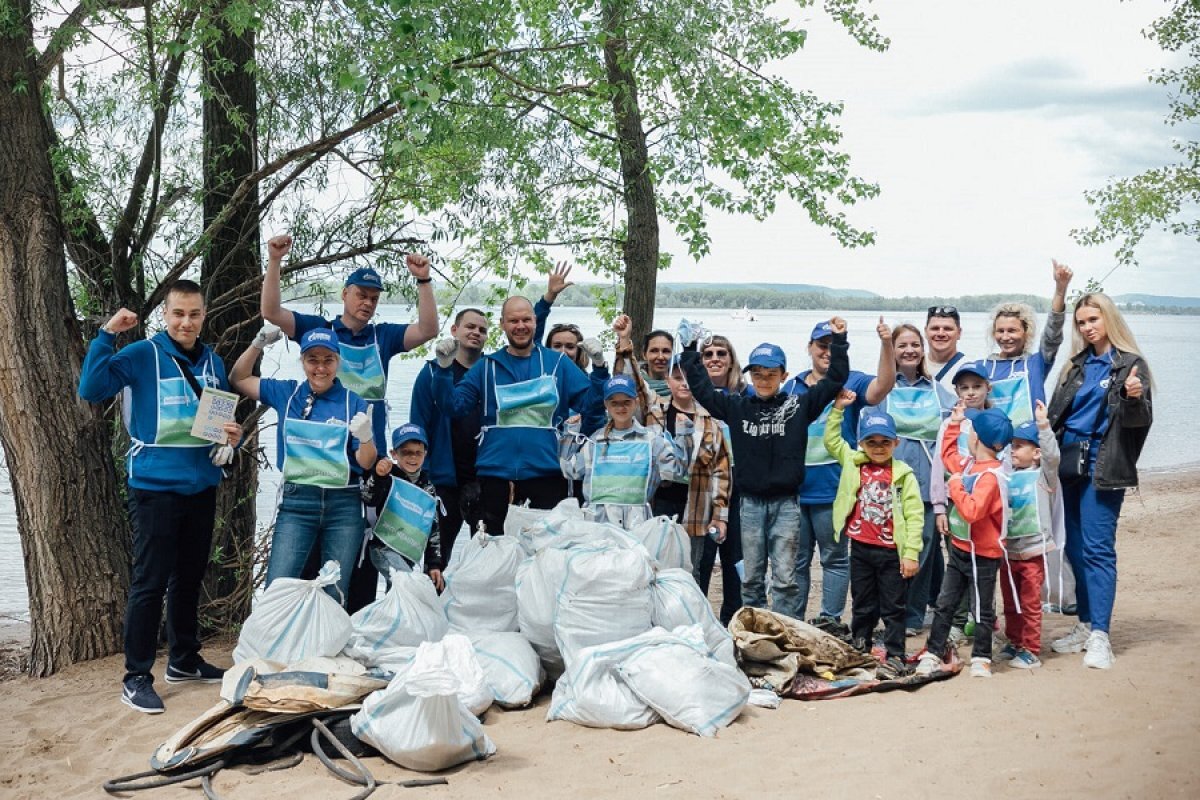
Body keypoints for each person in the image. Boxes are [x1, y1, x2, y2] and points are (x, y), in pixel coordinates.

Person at [78, 281, 243, 714]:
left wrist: (232, 441)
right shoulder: (141, 356)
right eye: (178, 314)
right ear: (164, 316)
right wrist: (106, 334)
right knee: (149, 584)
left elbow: (217, 428)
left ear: (203, 315)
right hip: (154, 487)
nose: (186, 323)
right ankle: (136, 677)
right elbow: (91, 389)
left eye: (194, 314)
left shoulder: (212, 362)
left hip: (200, 485)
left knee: (189, 577)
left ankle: (184, 660)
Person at [261, 234, 437, 609]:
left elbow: (427, 330)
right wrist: (275, 261)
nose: (368, 302)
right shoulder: (319, 332)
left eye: (374, 297)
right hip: (322, 465)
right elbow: (273, 313)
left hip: (366, 462)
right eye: (361, 294)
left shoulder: (383, 337)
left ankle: (352, 626)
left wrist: (423, 281)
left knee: (359, 556)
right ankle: (295, 630)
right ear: (345, 294)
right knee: (304, 561)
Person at [680, 323, 849, 621]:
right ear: (750, 376)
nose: (764, 380)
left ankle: (783, 630)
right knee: (752, 577)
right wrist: (690, 352)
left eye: (771, 374)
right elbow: (703, 390)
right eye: (757, 374)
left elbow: (835, 378)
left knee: (785, 577)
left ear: (784, 376)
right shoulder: (738, 407)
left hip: (786, 504)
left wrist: (840, 341)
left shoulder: (800, 405)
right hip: (750, 504)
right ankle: (756, 632)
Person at [430, 296, 607, 534]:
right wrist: (443, 369)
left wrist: (599, 369)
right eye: (513, 320)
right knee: (491, 560)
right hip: (494, 478)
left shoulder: (558, 364)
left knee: (543, 559)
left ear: (535, 321)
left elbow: (592, 407)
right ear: (502, 324)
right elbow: (453, 407)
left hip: (546, 476)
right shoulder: (487, 367)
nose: (520, 326)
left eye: (526, 319)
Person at [229, 327, 377, 602]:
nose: (320, 368)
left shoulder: (354, 402)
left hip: (343, 506)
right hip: (298, 505)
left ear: (338, 362)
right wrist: (257, 343)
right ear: (302, 362)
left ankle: (326, 646)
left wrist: (366, 437)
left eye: (328, 360)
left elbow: (365, 462)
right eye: (313, 360)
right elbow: (239, 378)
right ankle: (273, 644)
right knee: (278, 588)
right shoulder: (287, 394)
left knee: (334, 592)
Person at [1047, 293, 1152, 670]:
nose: (1088, 327)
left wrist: (1134, 398)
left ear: (1108, 318)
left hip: (1103, 468)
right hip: (1067, 465)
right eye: (1081, 322)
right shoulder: (1075, 366)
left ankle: (1101, 637)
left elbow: (1139, 422)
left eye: (1093, 319)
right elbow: (1057, 418)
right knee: (1073, 550)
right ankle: (1085, 624)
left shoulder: (1130, 365)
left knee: (1097, 550)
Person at [785, 317, 896, 632]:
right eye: (822, 345)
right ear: (810, 347)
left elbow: (882, 387)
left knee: (835, 559)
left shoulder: (851, 381)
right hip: (795, 490)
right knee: (797, 561)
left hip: (835, 490)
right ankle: (794, 620)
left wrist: (887, 344)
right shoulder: (791, 385)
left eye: (834, 346)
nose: (827, 352)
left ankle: (830, 620)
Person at [823, 394, 923, 679]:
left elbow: (915, 516)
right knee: (863, 603)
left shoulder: (904, 475)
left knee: (894, 606)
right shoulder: (854, 462)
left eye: (884, 442)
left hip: (892, 552)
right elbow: (832, 442)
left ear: (896, 443)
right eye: (871, 442)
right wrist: (838, 410)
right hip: (862, 548)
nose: (878, 448)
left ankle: (895, 654)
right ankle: (860, 647)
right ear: (861, 443)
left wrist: (911, 553)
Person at [917, 406, 1014, 679]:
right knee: (945, 603)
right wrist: (952, 426)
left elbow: (972, 511)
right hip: (960, 549)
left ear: (978, 439)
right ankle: (934, 651)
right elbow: (948, 457)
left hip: (984, 555)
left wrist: (956, 486)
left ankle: (982, 656)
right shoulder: (970, 464)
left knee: (981, 607)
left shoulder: (992, 476)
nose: (966, 436)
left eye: (969, 431)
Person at [880, 324, 954, 636]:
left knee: (921, 550)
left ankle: (912, 615)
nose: (909, 350)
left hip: (926, 484)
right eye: (902, 345)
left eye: (914, 344)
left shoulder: (936, 391)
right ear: (892, 351)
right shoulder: (884, 389)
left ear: (922, 349)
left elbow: (961, 417)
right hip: (889, 484)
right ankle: (889, 613)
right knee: (890, 551)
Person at [646, 364, 733, 608]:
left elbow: (721, 470)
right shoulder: (655, 413)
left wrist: (720, 514)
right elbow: (635, 386)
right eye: (677, 378)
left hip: (695, 507)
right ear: (667, 380)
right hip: (658, 502)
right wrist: (624, 346)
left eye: (688, 379)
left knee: (690, 570)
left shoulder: (711, 421)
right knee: (654, 566)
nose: (684, 383)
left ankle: (691, 621)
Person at [410, 307, 489, 562]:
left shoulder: (491, 372)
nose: (476, 332)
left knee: (490, 555)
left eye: (482, 330)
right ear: (454, 330)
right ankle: (430, 599)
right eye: (470, 327)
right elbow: (418, 423)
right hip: (444, 479)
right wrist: (420, 475)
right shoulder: (433, 371)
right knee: (437, 558)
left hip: (485, 479)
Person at [560, 375, 691, 527]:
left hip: (637, 529)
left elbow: (678, 471)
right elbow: (570, 470)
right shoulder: (595, 441)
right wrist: (570, 434)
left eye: (626, 402)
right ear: (606, 405)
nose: (621, 408)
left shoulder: (652, 441)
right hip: (596, 529)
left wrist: (684, 434)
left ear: (636, 402)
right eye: (614, 403)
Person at [996, 406, 1064, 670]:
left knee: (1030, 603)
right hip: (1009, 552)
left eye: (1020, 446)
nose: (1013, 450)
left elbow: (1053, 457)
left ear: (1036, 453)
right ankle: (1014, 642)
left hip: (1033, 552)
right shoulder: (1006, 475)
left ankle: (1031, 650)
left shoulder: (1043, 477)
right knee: (1011, 602)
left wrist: (1044, 426)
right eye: (1012, 445)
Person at [982, 261, 1073, 424]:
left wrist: (1060, 290)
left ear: (1026, 333)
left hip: (1029, 444)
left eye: (1012, 330)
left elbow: (1053, 333)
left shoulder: (1036, 363)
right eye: (1000, 331)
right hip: (994, 444)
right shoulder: (983, 367)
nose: (1005, 337)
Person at [360, 423, 444, 592]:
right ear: (394, 454)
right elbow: (368, 498)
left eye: (418, 453)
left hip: (408, 552)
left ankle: (394, 618)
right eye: (406, 452)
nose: (412, 458)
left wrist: (433, 564)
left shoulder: (427, 488)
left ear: (425, 454)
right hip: (382, 547)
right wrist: (378, 476)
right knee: (406, 584)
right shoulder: (388, 477)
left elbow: (432, 528)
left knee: (398, 590)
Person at [924, 306, 968, 393]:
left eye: (948, 329)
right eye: (935, 328)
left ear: (959, 333)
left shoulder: (968, 368)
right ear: (925, 332)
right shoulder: (914, 365)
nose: (941, 333)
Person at [640, 330, 675, 398]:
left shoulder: (683, 389)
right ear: (644, 355)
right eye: (654, 351)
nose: (660, 357)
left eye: (666, 351)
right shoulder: (634, 386)